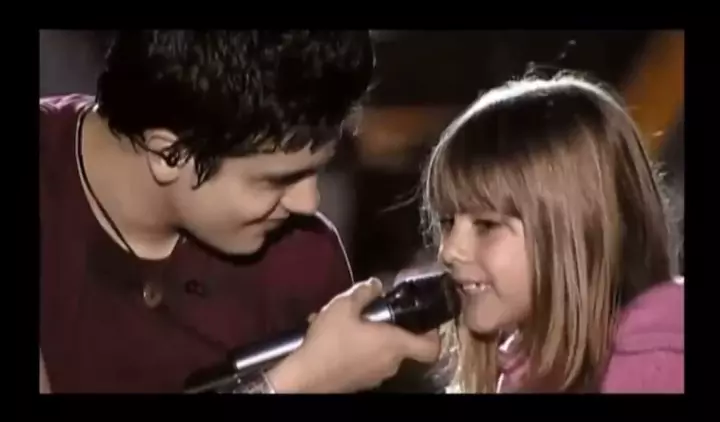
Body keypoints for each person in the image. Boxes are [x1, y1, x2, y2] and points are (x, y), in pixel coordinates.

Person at [39, 30, 439, 393]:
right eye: (276, 180)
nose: (309, 203)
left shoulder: (304, 258)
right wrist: (295, 384)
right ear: (168, 153)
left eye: (317, 170)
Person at [413, 72, 684, 393]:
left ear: (579, 230)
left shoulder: (654, 373)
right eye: (447, 223)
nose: (448, 251)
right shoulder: (520, 368)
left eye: (486, 225)